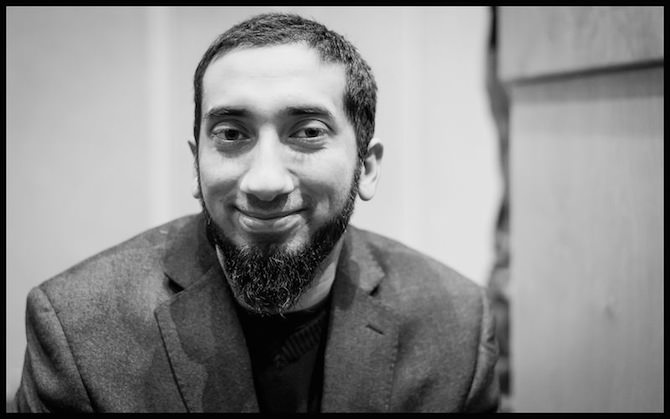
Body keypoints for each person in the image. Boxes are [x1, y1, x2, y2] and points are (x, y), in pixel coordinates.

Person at [15, 12, 499, 412]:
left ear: (366, 167)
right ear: (196, 165)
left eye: (307, 132)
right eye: (231, 134)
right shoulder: (76, 329)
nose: (265, 181)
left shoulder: (457, 327)